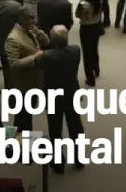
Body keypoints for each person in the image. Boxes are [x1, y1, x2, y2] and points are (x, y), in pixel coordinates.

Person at [41, 26, 86, 173]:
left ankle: (58, 162)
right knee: (76, 127)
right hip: (71, 93)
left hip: (53, 97)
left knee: (55, 130)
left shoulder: (46, 56)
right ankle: (79, 158)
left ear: (52, 40)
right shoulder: (76, 51)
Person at [4, 7, 49, 131]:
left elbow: (46, 42)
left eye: (35, 17)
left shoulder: (31, 30)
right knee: (22, 118)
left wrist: (39, 32)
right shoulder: (13, 38)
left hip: (33, 81)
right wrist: (34, 57)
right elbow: (13, 65)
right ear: (22, 19)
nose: (35, 21)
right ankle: (16, 141)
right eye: (31, 18)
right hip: (22, 85)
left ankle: (25, 139)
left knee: (27, 116)